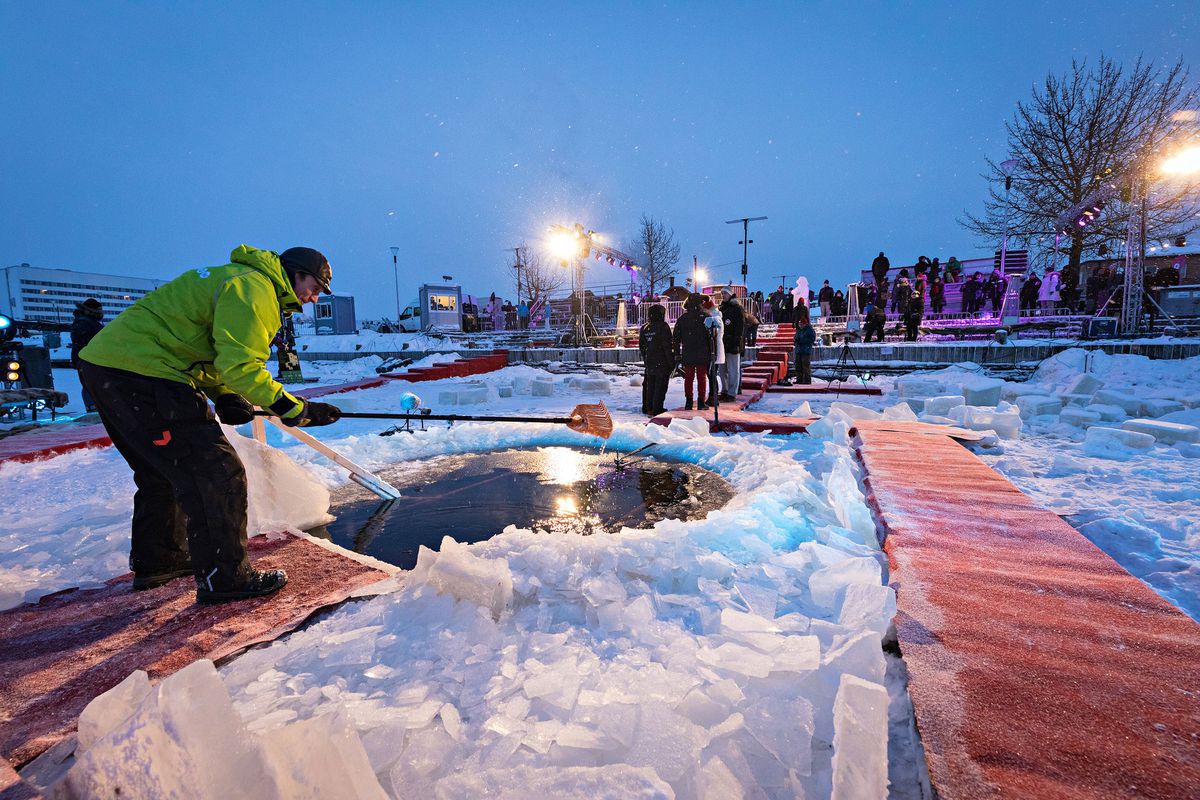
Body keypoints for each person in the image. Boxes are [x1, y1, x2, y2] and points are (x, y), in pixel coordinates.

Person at [78, 245, 342, 604]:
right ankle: (226, 577)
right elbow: (242, 366)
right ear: (297, 273)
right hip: (146, 373)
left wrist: (224, 394)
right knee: (218, 472)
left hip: (110, 367)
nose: (313, 298)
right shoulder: (256, 289)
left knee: (163, 470)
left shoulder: (237, 279)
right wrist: (296, 408)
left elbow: (210, 352)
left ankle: (160, 559)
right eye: (315, 287)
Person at [672, 293, 711, 411]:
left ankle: (688, 402)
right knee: (701, 377)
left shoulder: (683, 319)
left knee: (688, 378)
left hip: (688, 352)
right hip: (702, 351)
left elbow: (676, 338)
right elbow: (711, 336)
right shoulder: (705, 317)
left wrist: (677, 353)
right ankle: (701, 402)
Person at [70, 299, 105, 413]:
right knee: (91, 385)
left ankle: (94, 408)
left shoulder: (87, 322)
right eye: (99, 310)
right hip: (89, 359)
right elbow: (82, 342)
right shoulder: (85, 323)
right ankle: (93, 409)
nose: (101, 313)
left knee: (92, 384)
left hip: (89, 359)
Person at [639, 303, 673, 416]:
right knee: (660, 385)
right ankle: (657, 408)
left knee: (649, 385)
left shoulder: (645, 327)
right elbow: (667, 346)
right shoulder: (663, 327)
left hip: (650, 360)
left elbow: (642, 346)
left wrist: (646, 357)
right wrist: (671, 362)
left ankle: (648, 407)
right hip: (662, 360)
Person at [719, 292, 745, 402]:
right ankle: (724, 390)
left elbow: (740, 327)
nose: (723, 295)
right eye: (722, 293)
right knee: (722, 370)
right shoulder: (722, 308)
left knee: (733, 370)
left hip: (732, 343)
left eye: (725, 293)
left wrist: (737, 342)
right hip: (722, 343)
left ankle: (732, 392)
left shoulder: (737, 309)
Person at [702, 296, 725, 406]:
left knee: (711, 373)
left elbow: (715, 331)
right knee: (711, 373)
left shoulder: (714, 317)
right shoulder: (715, 316)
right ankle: (713, 395)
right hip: (714, 348)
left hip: (714, 349)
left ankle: (713, 396)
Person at [792, 311, 815, 385]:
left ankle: (807, 380)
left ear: (805, 324)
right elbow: (796, 338)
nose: (800, 325)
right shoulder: (799, 330)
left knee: (805, 366)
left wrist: (802, 341)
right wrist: (795, 341)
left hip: (805, 350)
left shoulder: (810, 330)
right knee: (798, 366)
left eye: (801, 324)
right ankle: (799, 379)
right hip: (798, 350)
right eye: (799, 324)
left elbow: (812, 339)